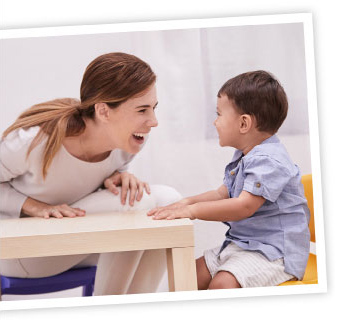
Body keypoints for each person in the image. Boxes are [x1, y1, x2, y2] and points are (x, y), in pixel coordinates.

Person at [0, 52, 181, 297]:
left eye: (153, 108)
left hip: (80, 245)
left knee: (169, 202)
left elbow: (84, 186)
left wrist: (117, 177)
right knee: (137, 205)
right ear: (104, 111)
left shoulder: (126, 146)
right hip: (20, 253)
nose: (153, 121)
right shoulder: (35, 142)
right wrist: (33, 206)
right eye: (142, 110)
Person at [148, 70, 310, 289]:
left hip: (275, 253)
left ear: (244, 124)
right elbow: (221, 194)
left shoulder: (269, 160)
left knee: (221, 285)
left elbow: (244, 206)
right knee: (189, 275)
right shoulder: (246, 156)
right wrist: (187, 202)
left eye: (219, 114)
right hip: (243, 245)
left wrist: (193, 212)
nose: (215, 122)